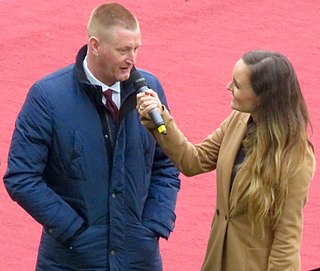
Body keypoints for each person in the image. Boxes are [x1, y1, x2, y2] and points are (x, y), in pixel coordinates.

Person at [3, 3, 180, 271]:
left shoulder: (150, 89)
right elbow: (21, 177)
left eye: (136, 48)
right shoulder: (47, 97)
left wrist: (155, 223)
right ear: (95, 45)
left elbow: (166, 163)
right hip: (71, 260)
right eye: (123, 50)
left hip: (138, 258)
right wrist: (72, 230)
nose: (133, 59)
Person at [137, 50, 315, 271]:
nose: (228, 87)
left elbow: (286, 239)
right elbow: (193, 161)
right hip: (216, 260)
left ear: (262, 98)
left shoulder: (296, 157)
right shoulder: (238, 120)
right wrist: (160, 119)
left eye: (238, 85)